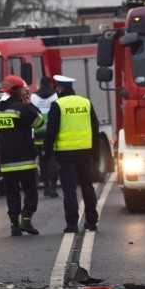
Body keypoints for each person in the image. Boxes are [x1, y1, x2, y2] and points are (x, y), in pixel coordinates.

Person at [0, 75, 44, 236]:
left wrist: (1, 151)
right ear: (16, 91)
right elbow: (39, 121)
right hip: (26, 160)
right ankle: (26, 220)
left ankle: (14, 226)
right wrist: (29, 103)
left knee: (12, 193)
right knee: (30, 192)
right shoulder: (22, 108)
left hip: (6, 162)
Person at [43, 75, 100, 234]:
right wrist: (96, 154)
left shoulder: (58, 105)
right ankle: (92, 221)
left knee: (69, 190)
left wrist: (46, 155)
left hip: (66, 155)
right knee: (87, 188)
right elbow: (95, 130)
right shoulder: (85, 103)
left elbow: (51, 132)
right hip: (85, 154)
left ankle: (72, 224)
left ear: (60, 88)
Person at [30, 75, 60, 198]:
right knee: (53, 160)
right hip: (52, 133)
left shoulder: (34, 96)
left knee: (43, 161)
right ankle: (53, 186)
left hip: (38, 133)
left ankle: (46, 186)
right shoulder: (55, 96)